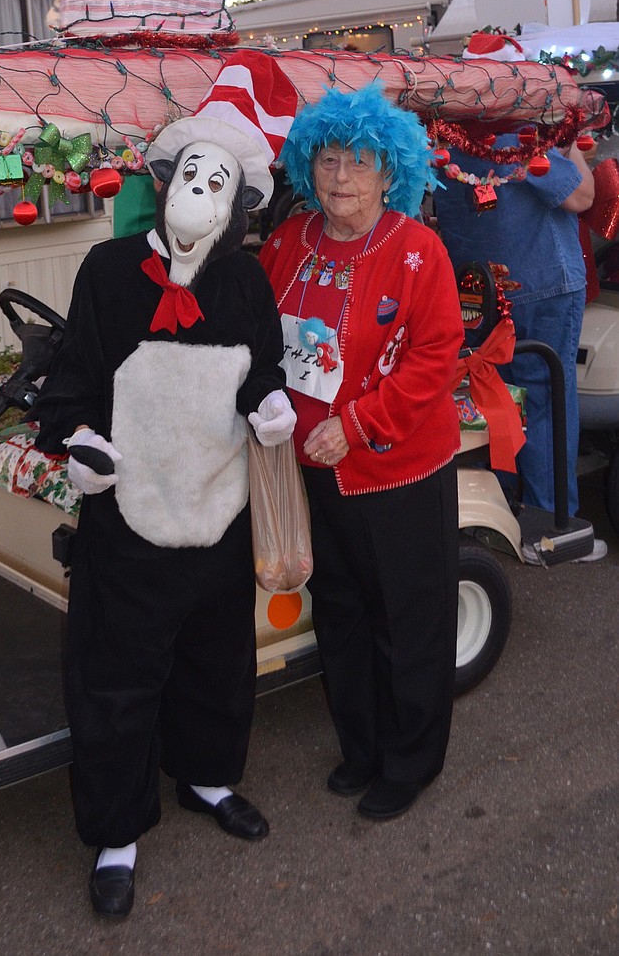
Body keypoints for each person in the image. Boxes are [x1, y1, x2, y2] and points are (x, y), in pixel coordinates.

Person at [33, 52, 298, 918]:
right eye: (194, 172)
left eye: (221, 180)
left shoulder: (247, 280)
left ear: (236, 201)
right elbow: (70, 383)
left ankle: (211, 780)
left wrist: (271, 410)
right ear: (171, 178)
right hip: (131, 521)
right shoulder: (107, 275)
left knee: (217, 664)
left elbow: (261, 372)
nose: (204, 191)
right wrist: (77, 441)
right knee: (116, 676)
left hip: (217, 516)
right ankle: (116, 831)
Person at [258, 82, 463, 821]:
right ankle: (363, 746)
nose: (341, 175)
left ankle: (410, 761)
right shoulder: (287, 243)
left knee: (407, 620)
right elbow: (260, 339)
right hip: (311, 474)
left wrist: (358, 422)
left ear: (390, 171)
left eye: (360, 161)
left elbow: (436, 356)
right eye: (329, 158)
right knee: (340, 614)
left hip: (395, 470)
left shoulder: (418, 249)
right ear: (308, 166)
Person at [433, 134, 601, 553]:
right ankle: (553, 528)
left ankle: (501, 514)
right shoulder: (522, 135)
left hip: (475, 289)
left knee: (495, 397)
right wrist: (573, 148)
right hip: (542, 283)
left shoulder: (441, 134)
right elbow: (582, 196)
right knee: (547, 403)